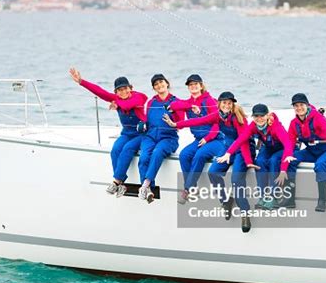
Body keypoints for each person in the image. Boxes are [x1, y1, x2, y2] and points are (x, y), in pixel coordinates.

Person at [164, 91, 256, 233]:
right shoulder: (218, 116)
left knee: (236, 179)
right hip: (228, 150)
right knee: (213, 172)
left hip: (243, 150)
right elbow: (197, 121)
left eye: (229, 103)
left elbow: (242, 140)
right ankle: (225, 201)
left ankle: (245, 213)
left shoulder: (238, 118)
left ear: (232, 105)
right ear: (219, 104)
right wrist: (176, 124)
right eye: (224, 102)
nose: (226, 105)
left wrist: (245, 160)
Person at [69, 68, 147, 197]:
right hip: (126, 133)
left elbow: (128, 105)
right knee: (115, 150)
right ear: (116, 92)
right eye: (119, 90)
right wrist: (81, 81)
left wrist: (117, 102)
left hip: (140, 134)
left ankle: (116, 181)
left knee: (127, 149)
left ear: (130, 88)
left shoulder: (139, 96)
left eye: (125, 89)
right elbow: (100, 92)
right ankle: (122, 183)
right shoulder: (117, 98)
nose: (123, 92)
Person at [218, 104, 294, 210]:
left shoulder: (276, 126)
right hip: (269, 148)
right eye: (256, 116)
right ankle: (262, 197)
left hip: (283, 150)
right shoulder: (254, 125)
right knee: (260, 161)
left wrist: (283, 169)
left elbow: (288, 144)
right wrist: (228, 153)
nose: (259, 119)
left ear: (267, 115)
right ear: (253, 117)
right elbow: (241, 139)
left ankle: (273, 196)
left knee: (273, 161)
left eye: (262, 116)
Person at [283, 93, 326, 212]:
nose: (299, 108)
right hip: (312, 151)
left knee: (320, 164)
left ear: (307, 105)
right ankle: (290, 198)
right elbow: (289, 144)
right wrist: (287, 157)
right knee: (290, 161)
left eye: (301, 105)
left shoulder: (316, 117)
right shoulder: (293, 124)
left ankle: (322, 200)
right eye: (296, 106)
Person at [168, 74, 225, 203]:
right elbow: (174, 105)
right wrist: (190, 107)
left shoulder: (209, 101)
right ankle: (193, 188)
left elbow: (217, 124)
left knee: (199, 155)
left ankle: (187, 189)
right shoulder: (188, 102)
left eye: (196, 84)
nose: (193, 86)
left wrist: (208, 138)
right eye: (190, 85)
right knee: (184, 155)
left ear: (201, 85)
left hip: (215, 139)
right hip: (198, 139)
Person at [138, 74, 184, 203]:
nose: (159, 85)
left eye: (161, 82)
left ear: (167, 83)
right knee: (143, 157)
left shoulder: (177, 102)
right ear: (154, 88)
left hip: (168, 138)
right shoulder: (151, 102)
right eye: (156, 84)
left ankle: (145, 184)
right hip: (150, 136)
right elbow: (146, 120)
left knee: (157, 152)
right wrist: (142, 124)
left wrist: (172, 119)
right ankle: (149, 191)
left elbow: (182, 123)